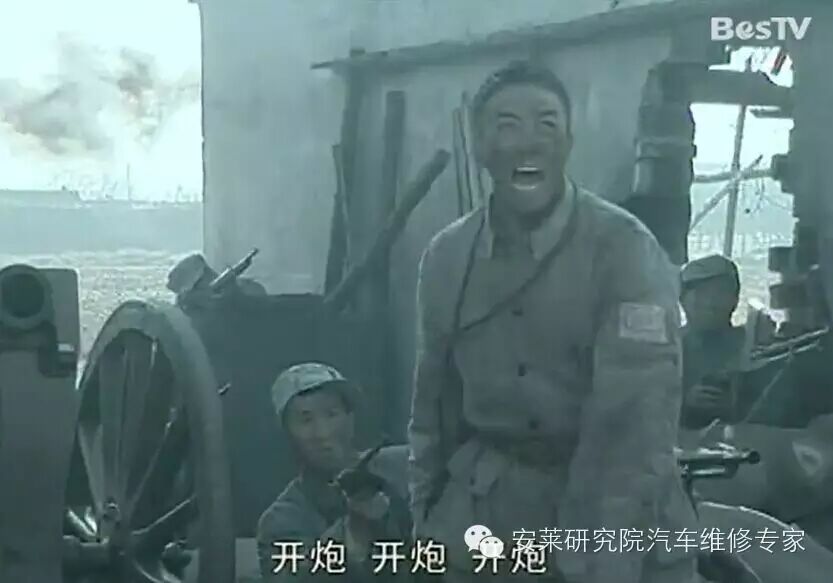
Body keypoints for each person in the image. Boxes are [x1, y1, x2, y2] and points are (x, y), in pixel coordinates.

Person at [408, 60, 698, 583]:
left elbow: (634, 426)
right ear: (479, 146)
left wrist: (600, 562)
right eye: (507, 125)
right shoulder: (447, 257)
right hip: (488, 514)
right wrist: (426, 518)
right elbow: (433, 404)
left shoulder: (625, 249)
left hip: (610, 505)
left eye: (546, 124)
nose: (529, 144)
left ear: (568, 141)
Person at [256, 362, 412, 582]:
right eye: (306, 420)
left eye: (331, 414)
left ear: (350, 417)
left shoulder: (406, 467)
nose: (322, 433)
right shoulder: (281, 522)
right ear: (287, 434)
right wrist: (353, 531)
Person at [679, 254, 744, 429]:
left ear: (735, 299)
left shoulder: (752, 346)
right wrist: (684, 401)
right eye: (701, 294)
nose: (710, 303)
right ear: (682, 299)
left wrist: (738, 402)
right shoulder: (666, 349)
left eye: (720, 293)